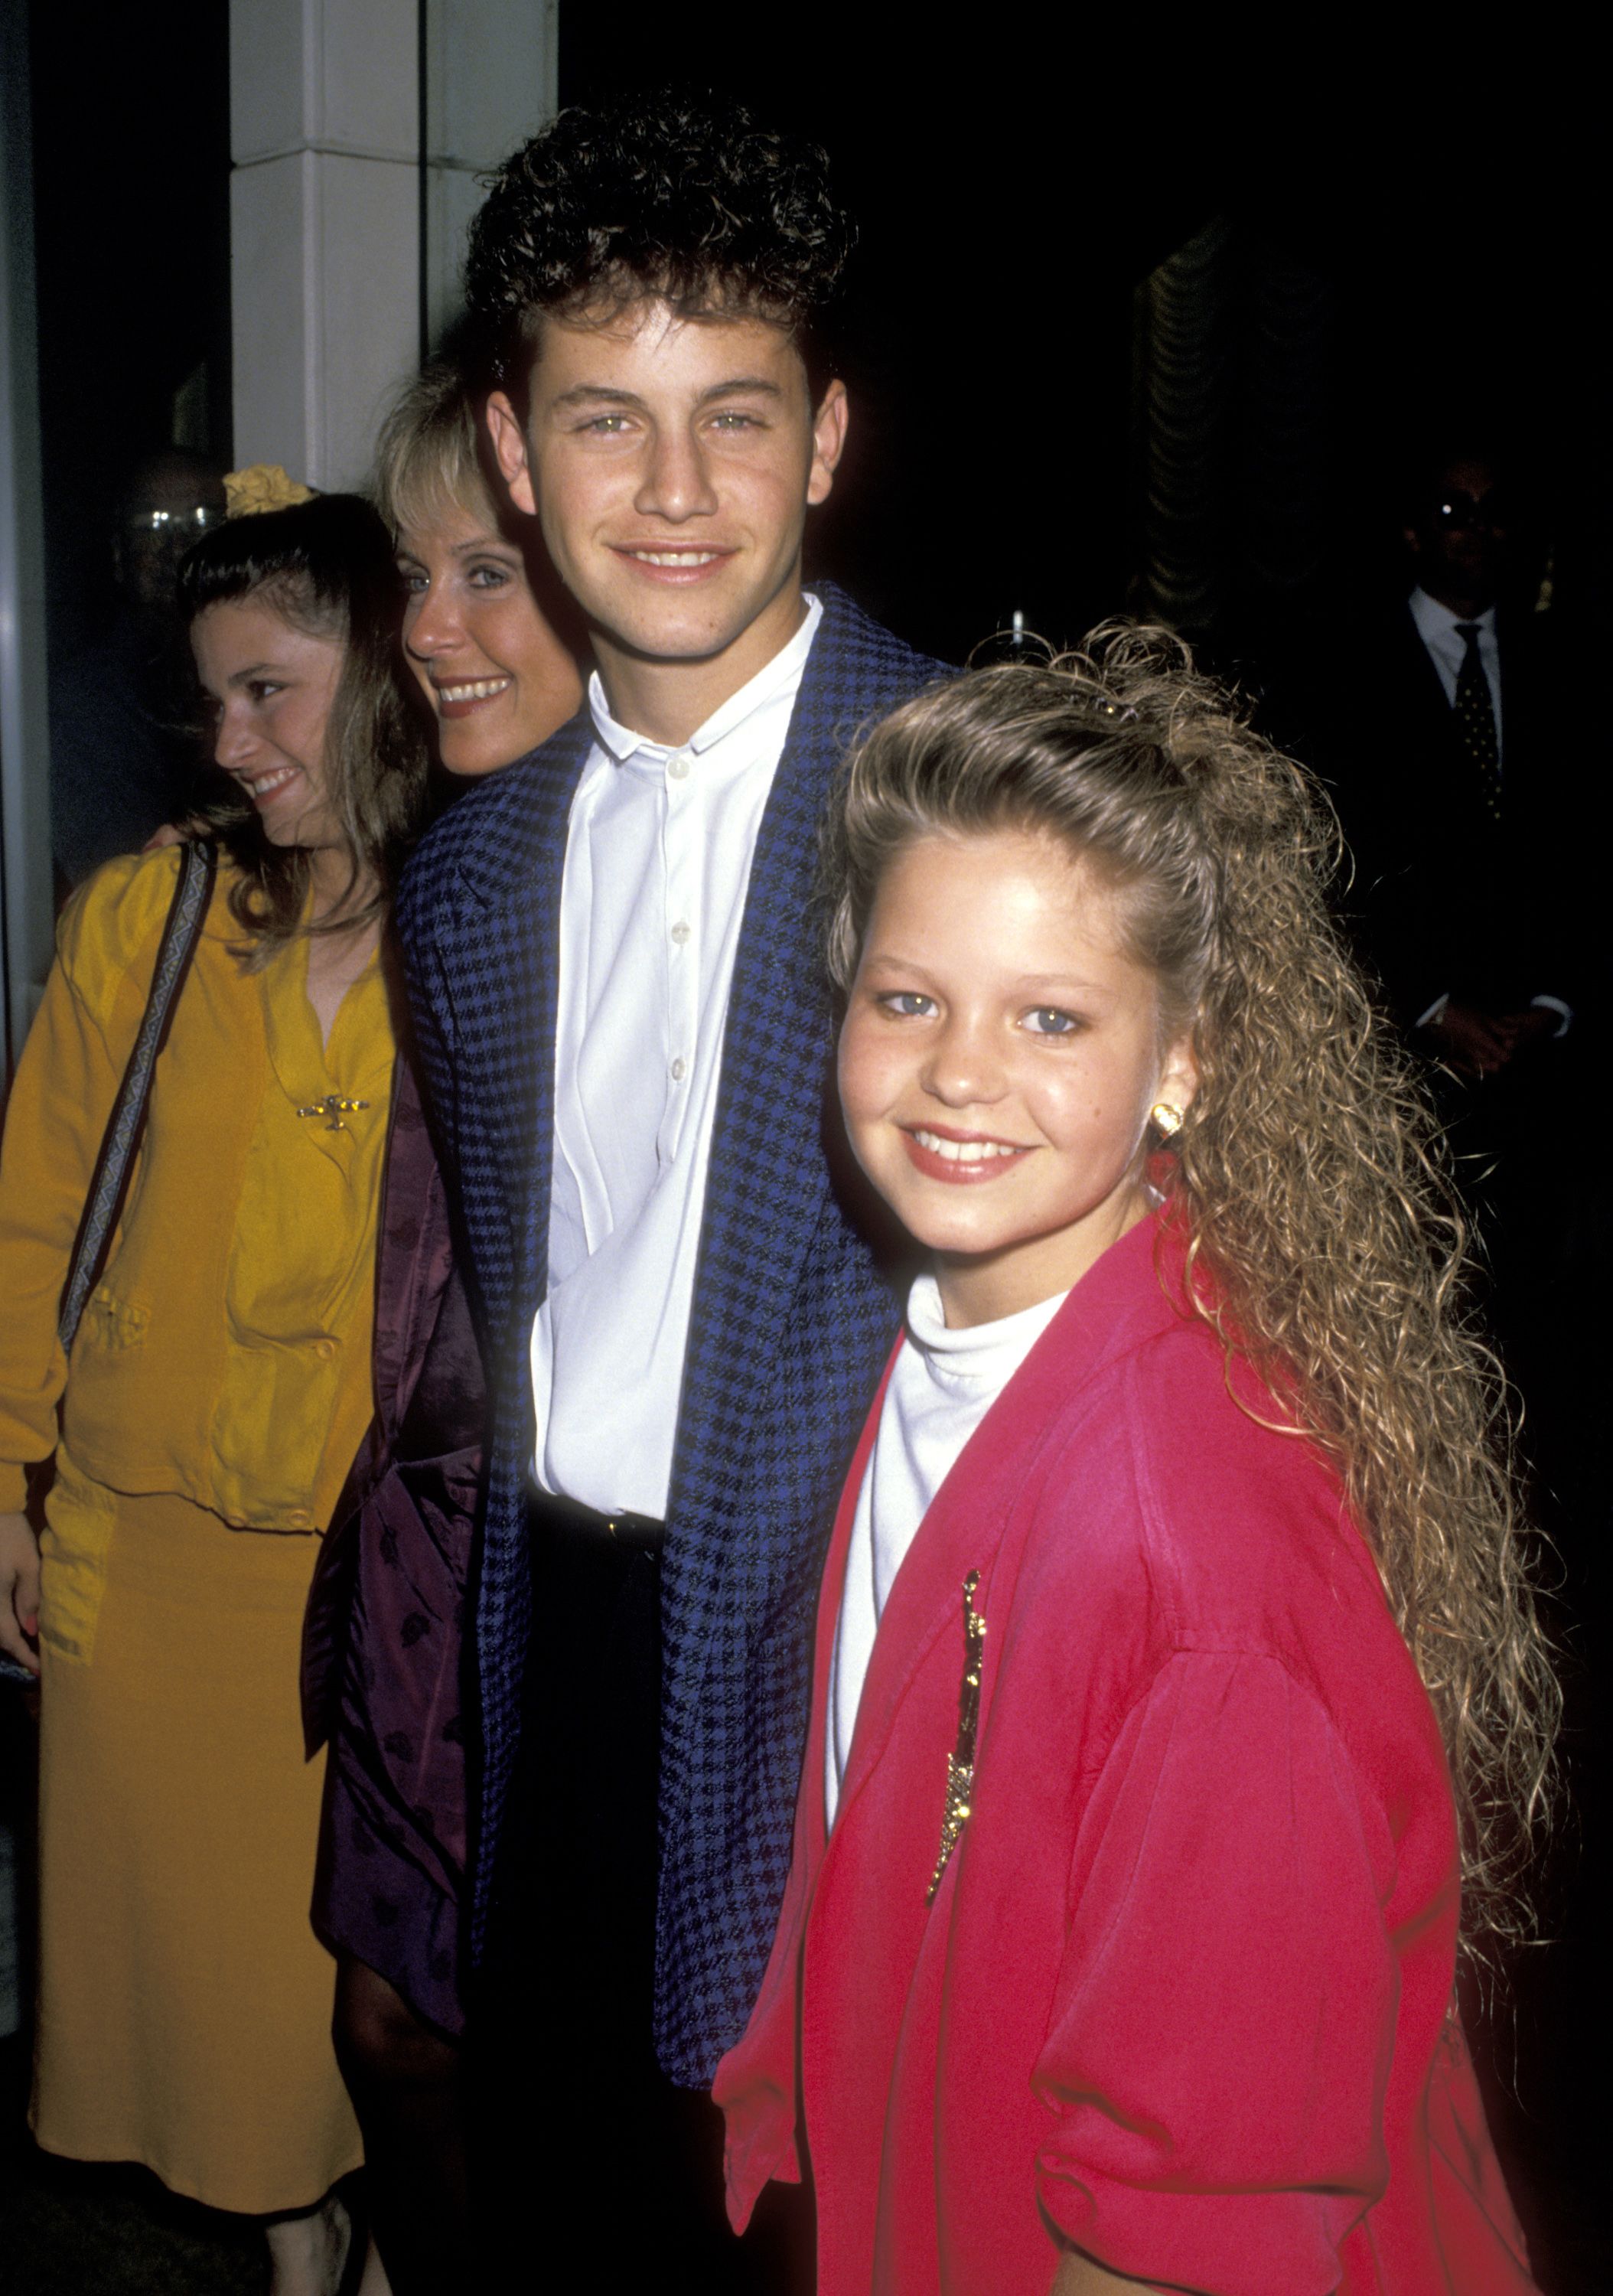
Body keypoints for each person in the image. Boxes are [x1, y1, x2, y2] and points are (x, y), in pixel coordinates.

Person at [715, 630, 1557, 2295]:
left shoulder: (1190, 1568)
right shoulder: (966, 1321)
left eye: (1050, 1016)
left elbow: (1195, 2229)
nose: (961, 1073)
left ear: (1181, 1064)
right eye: (907, 999)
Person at [393, 90, 947, 2280]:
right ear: (515, 461)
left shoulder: (981, 812)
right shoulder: (469, 881)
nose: (679, 491)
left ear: (824, 438)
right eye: (604, 423)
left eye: (734, 416)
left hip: (862, 1695)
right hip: (563, 1665)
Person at [0, 483, 428, 2296]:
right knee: (202, 2040)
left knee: (358, 2025)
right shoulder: (145, 920)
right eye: (214, 703)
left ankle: (346, 2239)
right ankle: (306, 2257)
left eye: (274, 691)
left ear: (391, 674)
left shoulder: (484, 929)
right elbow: (33, 1224)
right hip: (142, 1569)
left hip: (359, 1603)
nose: (233, 742)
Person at [301, 361, 583, 2294]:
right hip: (424, 1553)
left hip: (571, 1589)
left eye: (483, 571)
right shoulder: (463, 868)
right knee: (383, 2033)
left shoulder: (721, 883)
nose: (422, 630)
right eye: (412, 573)